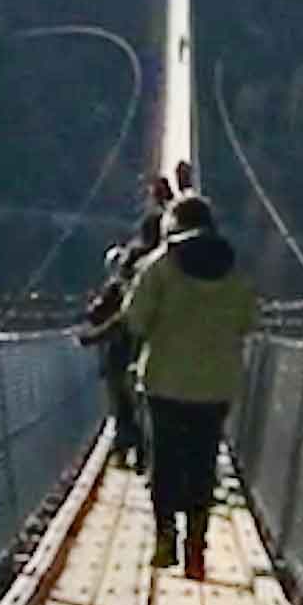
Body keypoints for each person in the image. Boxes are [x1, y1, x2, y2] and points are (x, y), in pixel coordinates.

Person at [122, 189, 259, 578]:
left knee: (164, 461)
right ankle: (196, 548)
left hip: (164, 381)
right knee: (202, 463)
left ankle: (165, 538)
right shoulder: (233, 268)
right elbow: (249, 321)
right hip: (215, 384)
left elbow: (135, 319)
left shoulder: (160, 265)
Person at [76, 239, 146, 472]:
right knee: (140, 407)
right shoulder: (148, 288)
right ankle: (143, 454)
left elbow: (98, 316)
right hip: (145, 353)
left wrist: (90, 330)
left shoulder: (116, 289)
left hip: (119, 356)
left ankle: (124, 451)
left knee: (122, 408)